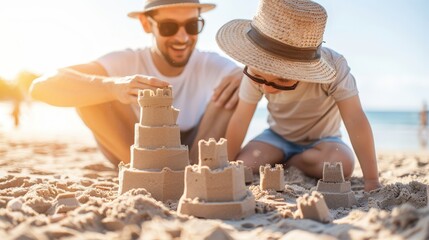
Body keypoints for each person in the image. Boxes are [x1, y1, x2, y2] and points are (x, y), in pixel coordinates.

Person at [30, 0, 242, 166]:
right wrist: (114, 87)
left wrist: (246, 74)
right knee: (88, 93)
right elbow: (41, 87)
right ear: (145, 23)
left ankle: (198, 171)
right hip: (136, 151)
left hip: (194, 151)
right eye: (169, 27)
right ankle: (143, 171)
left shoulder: (210, 64)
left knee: (237, 88)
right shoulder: (126, 61)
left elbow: (261, 82)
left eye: (192, 25)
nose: (183, 37)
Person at [216, 0, 382, 192]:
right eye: (259, 78)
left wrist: (371, 179)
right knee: (245, 163)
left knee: (342, 164)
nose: (267, 89)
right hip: (276, 137)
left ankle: (292, 162)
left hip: (324, 140)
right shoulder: (255, 71)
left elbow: (355, 119)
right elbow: (240, 119)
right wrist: (226, 167)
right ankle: (285, 159)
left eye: (282, 80)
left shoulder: (335, 68)